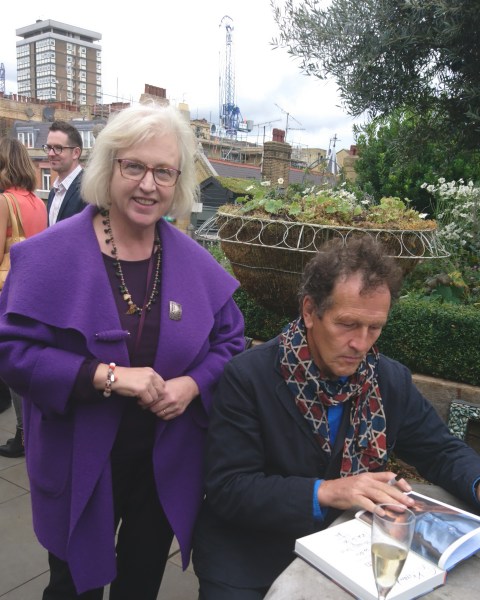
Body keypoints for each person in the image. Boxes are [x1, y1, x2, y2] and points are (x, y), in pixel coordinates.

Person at [0, 103, 245, 599]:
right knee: (72, 588)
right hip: (79, 462)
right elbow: (12, 350)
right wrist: (104, 376)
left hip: (163, 465)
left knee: (140, 583)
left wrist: (192, 384)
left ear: (178, 183)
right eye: (133, 166)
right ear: (107, 166)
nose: (148, 184)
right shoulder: (47, 255)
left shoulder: (196, 264)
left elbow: (230, 342)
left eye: (163, 172)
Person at [192, 236, 480, 599]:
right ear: (310, 312)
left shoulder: (388, 380)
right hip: (248, 556)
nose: (362, 344)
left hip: (348, 549)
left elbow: (441, 451)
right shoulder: (248, 378)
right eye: (347, 324)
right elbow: (229, 488)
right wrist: (327, 491)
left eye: (374, 328)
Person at [0, 137, 47, 458]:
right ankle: (32, 429)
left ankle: (23, 434)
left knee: (11, 363)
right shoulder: (37, 201)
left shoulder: (5, 201)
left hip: (7, 291)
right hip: (33, 290)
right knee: (26, 357)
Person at [44, 120, 85, 224]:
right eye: (49, 147)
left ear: (76, 153)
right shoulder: (54, 192)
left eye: (58, 148)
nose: (51, 153)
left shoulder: (88, 189)